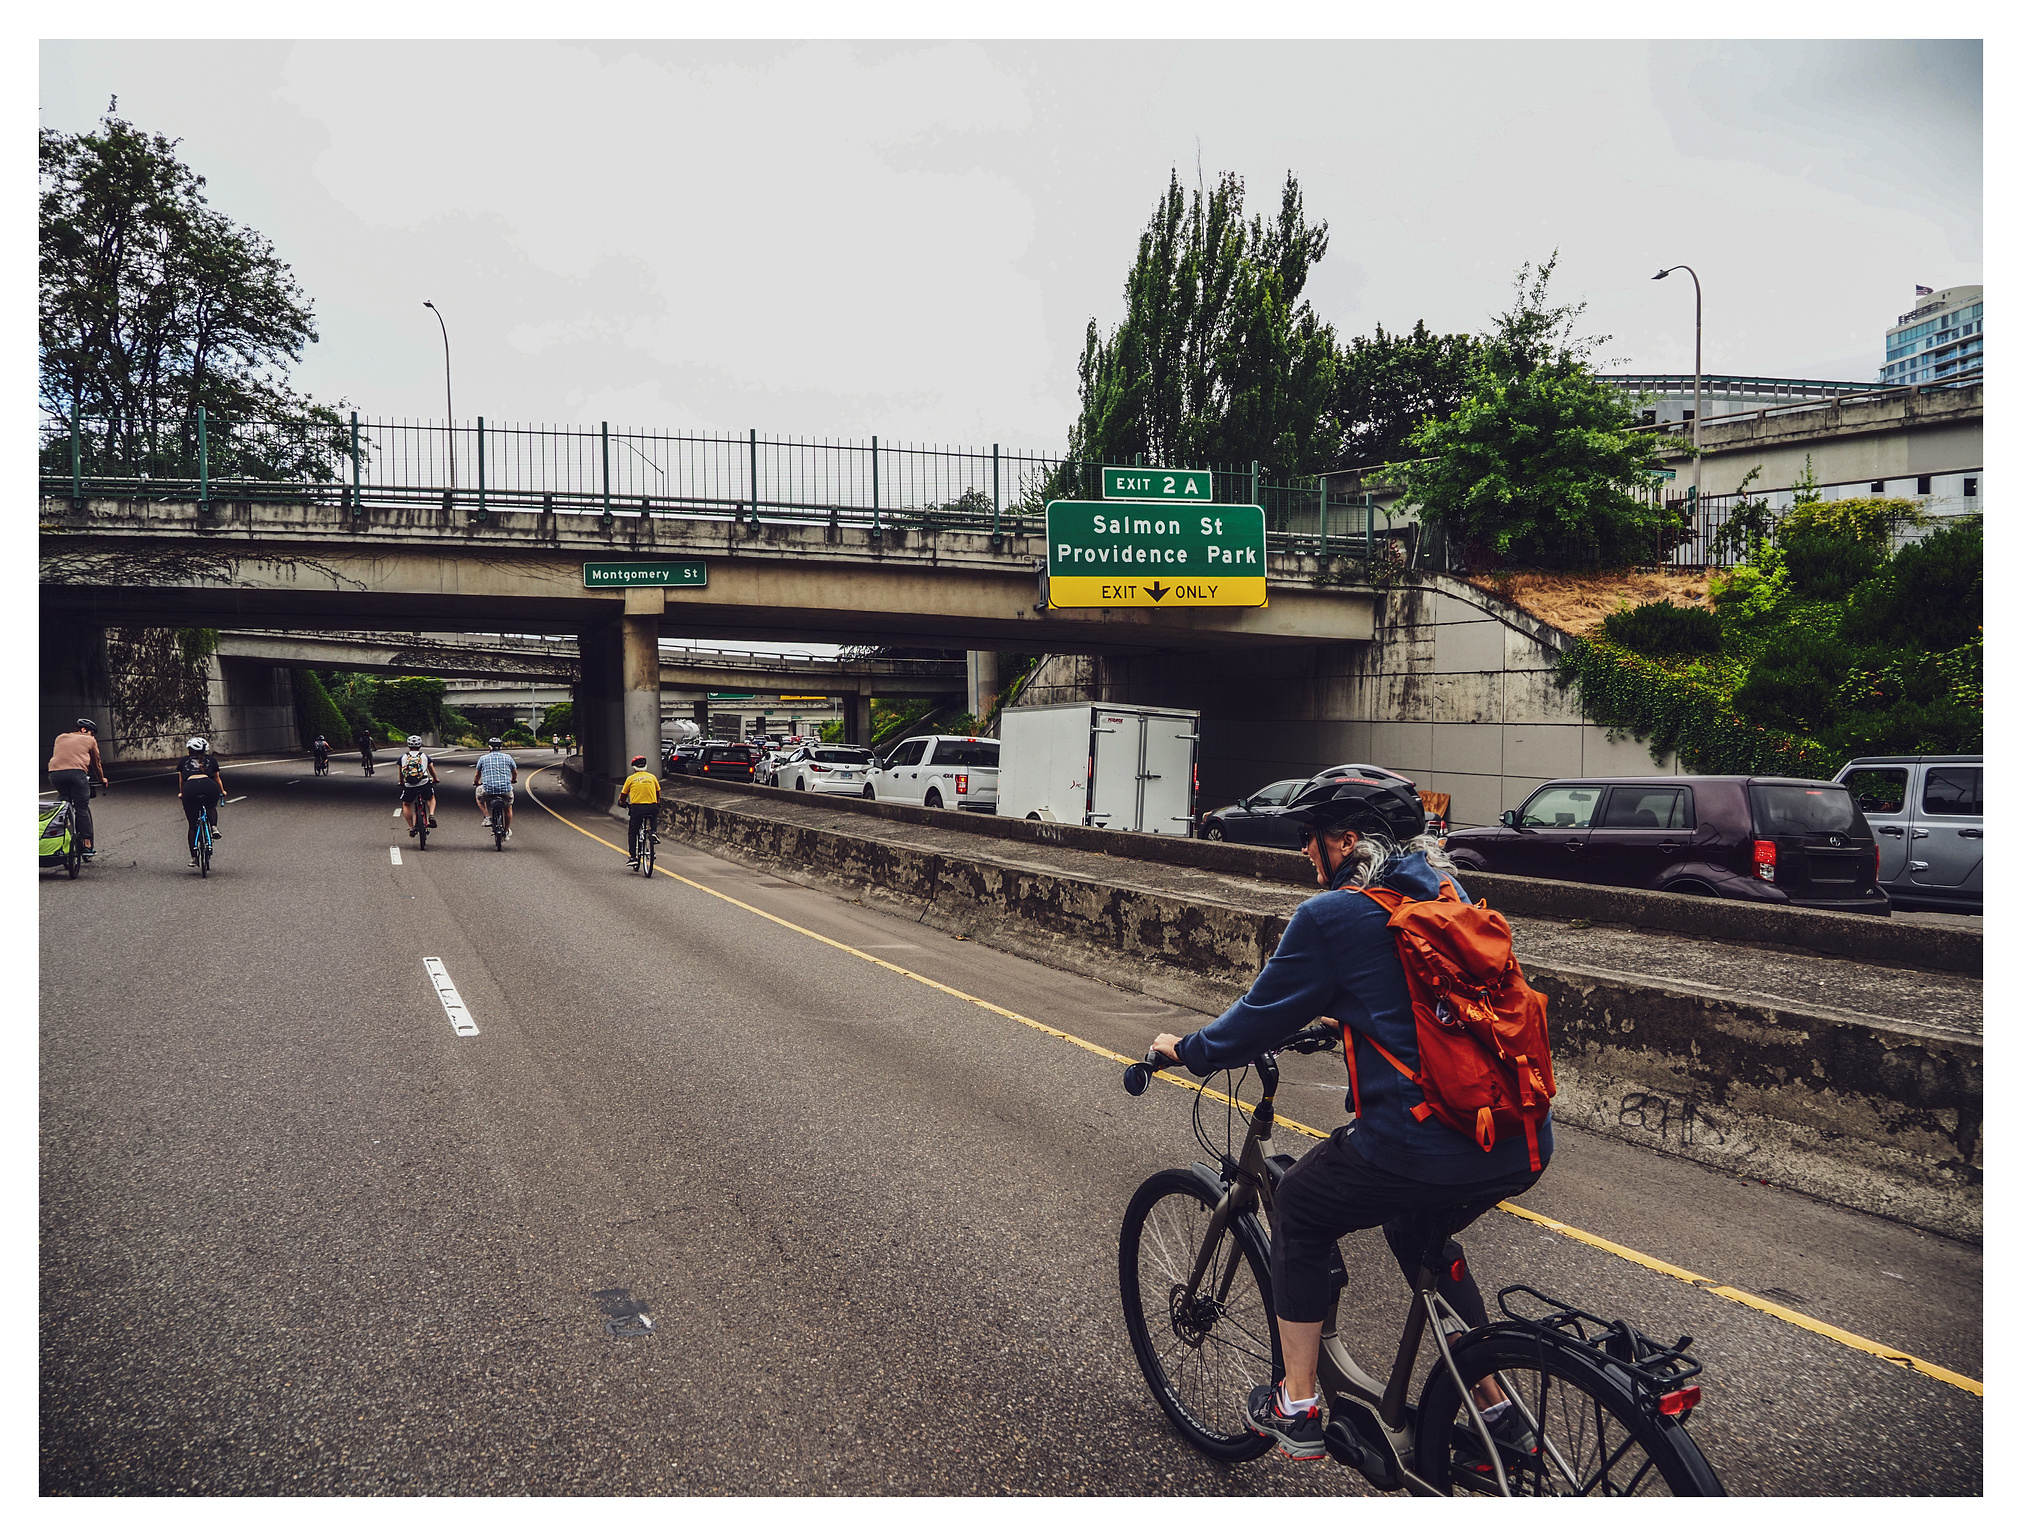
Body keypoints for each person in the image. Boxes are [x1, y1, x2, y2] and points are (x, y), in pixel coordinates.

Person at [1148, 778, 1552, 1462]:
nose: (1305, 851)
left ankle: (1297, 1404)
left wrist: (1184, 1050)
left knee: (1301, 1203)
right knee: (1416, 1229)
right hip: (1520, 1137)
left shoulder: (1332, 917)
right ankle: (1500, 1413)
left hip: (1423, 1142)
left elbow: (1250, 1022)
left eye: (1311, 837)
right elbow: (1423, 1010)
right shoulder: (1446, 897)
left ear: (1346, 841)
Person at [48, 718, 110, 858]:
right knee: (82, 808)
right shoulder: (90, 740)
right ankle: (87, 845)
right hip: (77, 774)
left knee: (62, 805)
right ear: (83, 730)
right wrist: (102, 779)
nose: (93, 736)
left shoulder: (60, 737)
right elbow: (96, 763)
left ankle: (56, 840)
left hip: (54, 775)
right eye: (92, 732)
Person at [175, 735, 227, 866]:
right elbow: (217, 778)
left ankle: (194, 857)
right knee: (210, 807)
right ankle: (214, 827)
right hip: (208, 785)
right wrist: (222, 791)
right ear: (205, 749)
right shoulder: (211, 760)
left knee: (192, 825)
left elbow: (182, 780)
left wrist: (182, 793)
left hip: (190, 788)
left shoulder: (183, 761)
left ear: (189, 750)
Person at [618, 754, 660, 866]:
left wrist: (622, 803)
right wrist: (657, 803)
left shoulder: (631, 779)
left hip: (637, 808)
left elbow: (623, 795)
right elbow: (658, 792)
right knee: (654, 813)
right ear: (646, 766)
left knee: (633, 832)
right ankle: (654, 832)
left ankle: (633, 857)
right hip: (651, 807)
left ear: (634, 767)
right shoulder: (652, 777)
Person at [472, 736, 519, 839]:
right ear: (500, 747)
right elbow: (514, 772)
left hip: (488, 789)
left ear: (489, 747)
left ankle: (487, 817)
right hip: (505, 789)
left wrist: (476, 782)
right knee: (508, 807)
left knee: (478, 796)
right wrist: (513, 780)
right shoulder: (508, 757)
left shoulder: (483, 758)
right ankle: (506, 832)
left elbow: (477, 775)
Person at [395, 735, 440, 838]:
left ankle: (411, 828)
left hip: (409, 784)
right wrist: (435, 779)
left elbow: (401, 772)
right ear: (420, 745)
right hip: (423, 782)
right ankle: (431, 815)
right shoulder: (425, 756)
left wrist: (401, 782)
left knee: (406, 804)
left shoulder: (403, 757)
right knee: (431, 797)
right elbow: (431, 770)